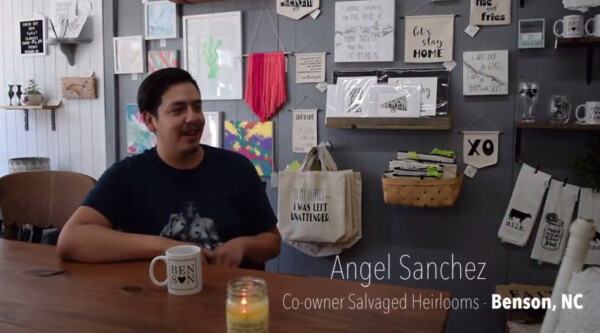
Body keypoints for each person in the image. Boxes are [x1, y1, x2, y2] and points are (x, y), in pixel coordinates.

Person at [57, 68, 281, 269]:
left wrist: (244, 246)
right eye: (178, 110)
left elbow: (272, 241)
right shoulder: (126, 175)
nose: (192, 117)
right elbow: (71, 240)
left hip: (232, 299)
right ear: (150, 121)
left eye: (197, 107)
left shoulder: (236, 167)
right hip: (156, 299)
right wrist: (165, 248)